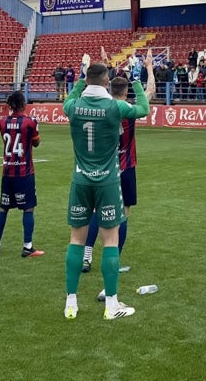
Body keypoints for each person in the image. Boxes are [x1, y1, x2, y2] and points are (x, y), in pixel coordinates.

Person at [63, 51, 152, 320]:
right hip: (108, 180)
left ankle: (71, 302)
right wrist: (136, 77)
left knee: (75, 240)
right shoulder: (115, 107)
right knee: (110, 240)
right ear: (106, 82)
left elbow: (71, 96)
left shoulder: (73, 106)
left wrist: (81, 74)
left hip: (80, 179)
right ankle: (111, 305)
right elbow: (145, 109)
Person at [82, 47, 150, 276]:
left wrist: (102, 64)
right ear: (126, 90)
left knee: (96, 211)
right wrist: (145, 69)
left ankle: (87, 253)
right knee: (123, 213)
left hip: (104, 167)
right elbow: (147, 99)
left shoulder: (104, 108)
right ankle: (114, 259)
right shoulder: (129, 110)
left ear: (109, 87)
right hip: (126, 167)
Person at [0, 90, 43, 257]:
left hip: (7, 172)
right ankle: (27, 247)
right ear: (24, 104)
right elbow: (36, 143)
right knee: (28, 208)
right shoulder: (30, 122)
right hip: (24, 172)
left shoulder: (2, 121)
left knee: (3, 208)